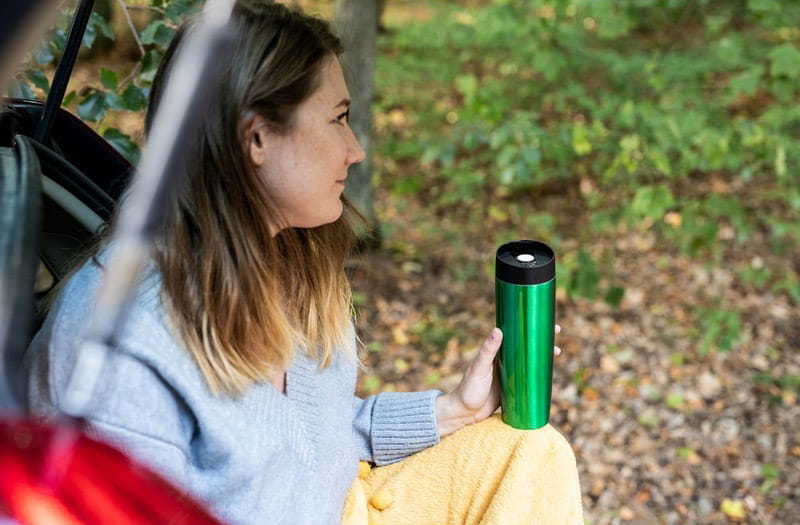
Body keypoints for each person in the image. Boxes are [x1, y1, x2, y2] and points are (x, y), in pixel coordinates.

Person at [26, 2, 583, 524]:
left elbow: (316, 442)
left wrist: (454, 409)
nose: (355, 150)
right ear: (258, 138)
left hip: (346, 507)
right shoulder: (119, 349)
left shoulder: (288, 258)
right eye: (338, 118)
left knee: (530, 451)